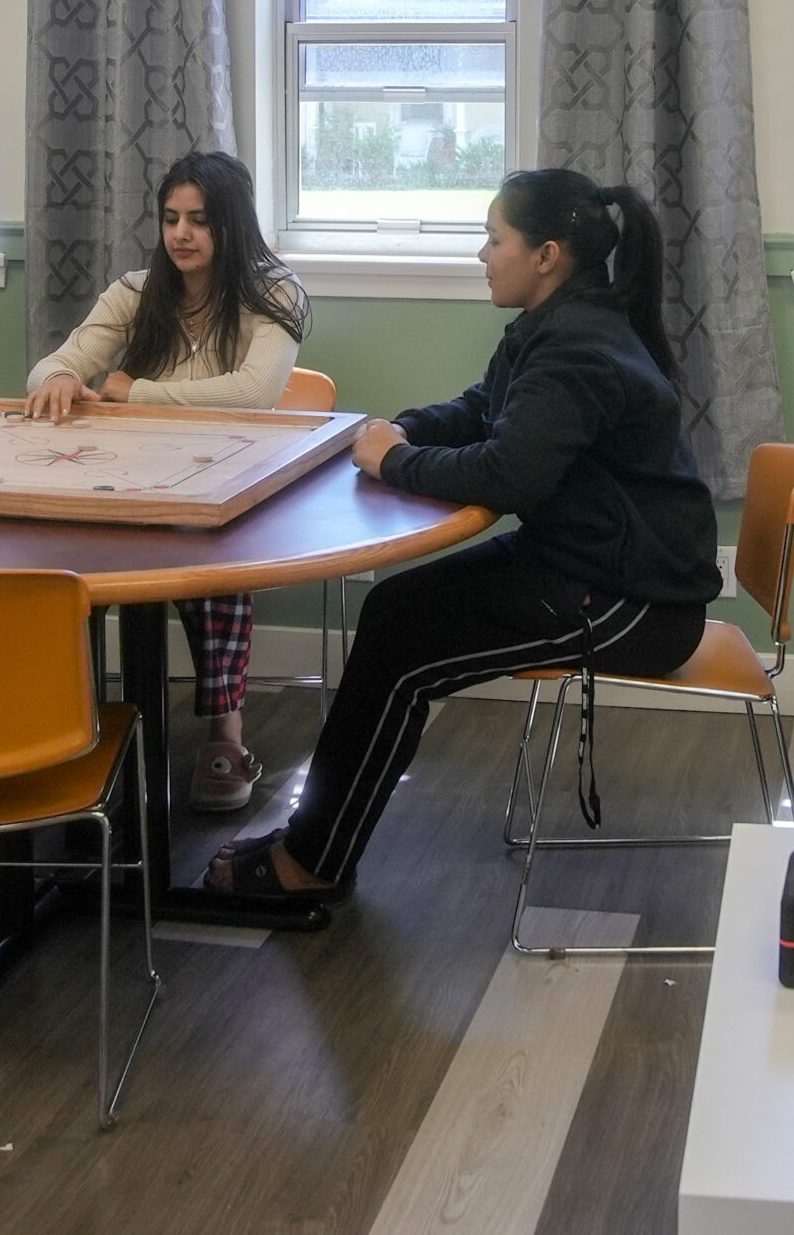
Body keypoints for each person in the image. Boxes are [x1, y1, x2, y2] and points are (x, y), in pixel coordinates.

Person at [206, 168, 719, 901]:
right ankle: (315, 842)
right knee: (391, 614)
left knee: (404, 650)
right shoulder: (559, 325)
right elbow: (486, 408)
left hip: (632, 601)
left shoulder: (578, 345)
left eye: (493, 237)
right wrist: (406, 429)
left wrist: (397, 460)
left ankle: (311, 863)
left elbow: (508, 474)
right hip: (591, 565)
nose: (482, 253)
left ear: (546, 254)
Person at [23, 151, 309, 811]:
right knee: (52, 559)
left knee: (220, 571)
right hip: (128, 479)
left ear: (233, 226)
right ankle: (68, 725)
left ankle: (225, 734)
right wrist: (61, 379)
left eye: (200, 220)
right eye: (171, 218)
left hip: (226, 478)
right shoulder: (133, 290)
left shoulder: (275, 292)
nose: (181, 234)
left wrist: (135, 391)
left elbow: (256, 393)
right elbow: (55, 366)